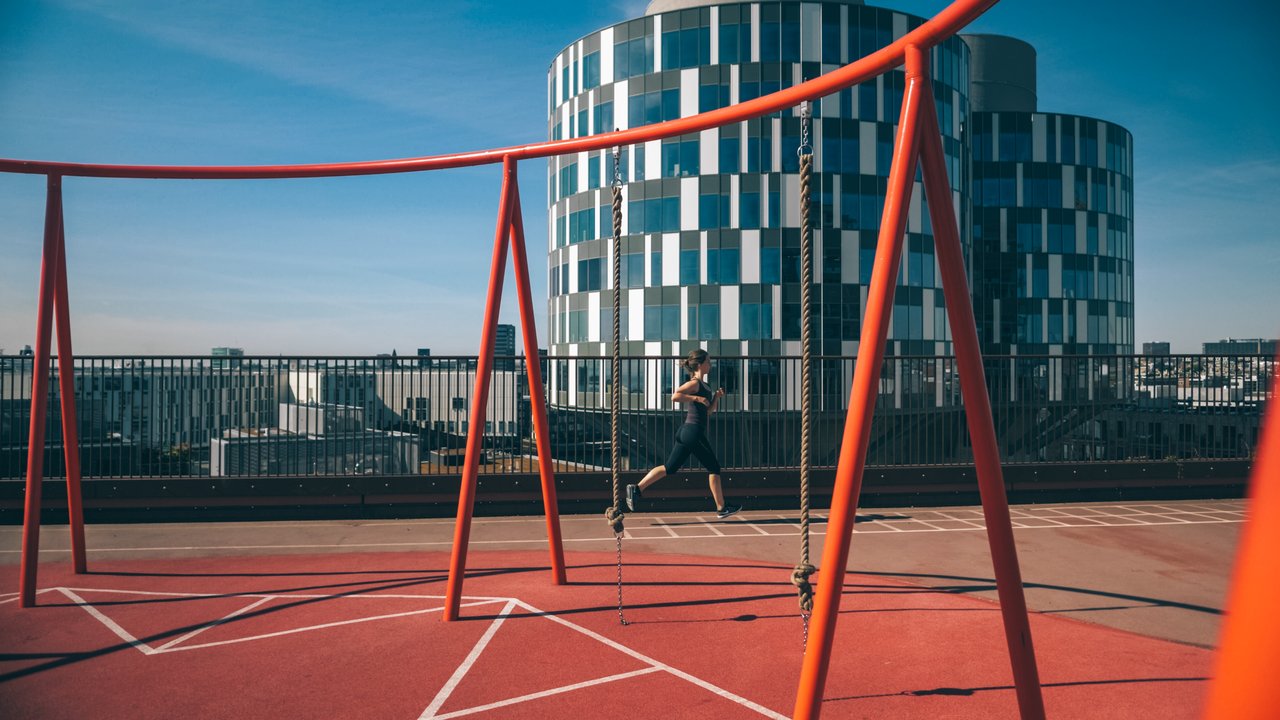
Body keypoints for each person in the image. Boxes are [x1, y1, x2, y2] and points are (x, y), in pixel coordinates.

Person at [626, 349, 741, 519]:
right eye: (708, 362)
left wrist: (715, 397)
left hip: (688, 432)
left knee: (669, 468)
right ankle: (721, 508)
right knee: (714, 467)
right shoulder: (694, 383)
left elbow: (708, 411)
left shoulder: (705, 386)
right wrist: (696, 398)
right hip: (692, 432)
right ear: (700, 364)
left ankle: (636, 489)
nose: (710, 365)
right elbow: (675, 396)